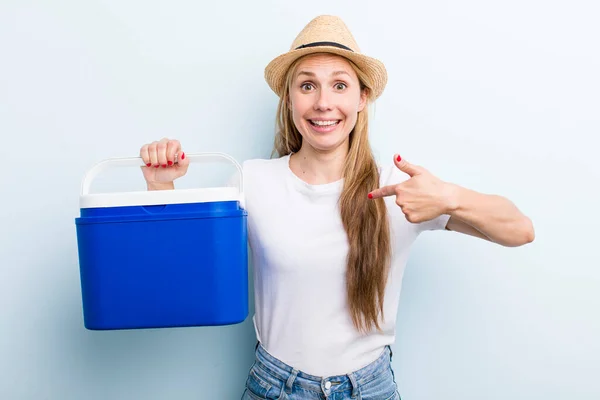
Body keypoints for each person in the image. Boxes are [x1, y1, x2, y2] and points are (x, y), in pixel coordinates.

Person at [138, 15, 534, 400]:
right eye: (307, 86)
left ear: (362, 98)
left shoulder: (398, 189)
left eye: (339, 85)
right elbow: (182, 272)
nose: (324, 103)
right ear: (289, 98)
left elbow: (520, 230)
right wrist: (161, 184)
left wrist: (450, 197)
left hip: (371, 389)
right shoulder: (252, 181)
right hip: (275, 387)